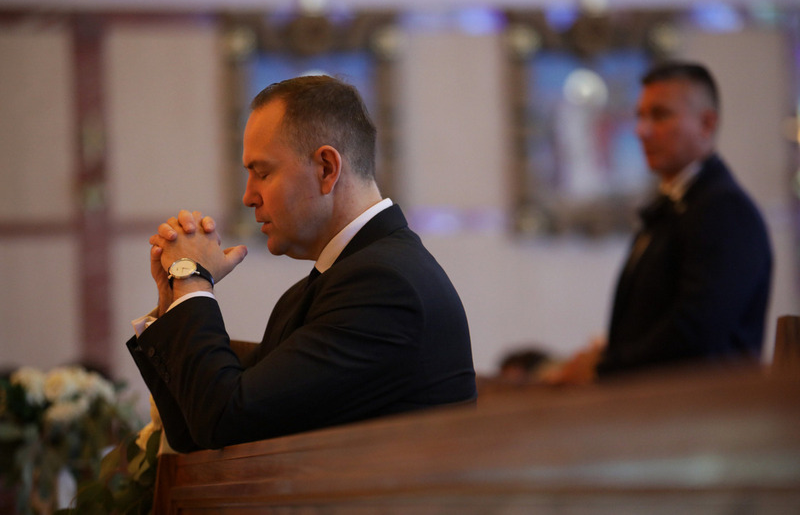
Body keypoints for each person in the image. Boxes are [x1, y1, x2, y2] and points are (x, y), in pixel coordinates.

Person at [127, 75, 477, 452]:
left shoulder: (384, 285)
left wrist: (193, 281)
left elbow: (226, 419)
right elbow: (195, 432)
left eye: (262, 173)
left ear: (326, 168)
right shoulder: (324, 286)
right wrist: (174, 304)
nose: (248, 196)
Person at [546, 61, 772, 384]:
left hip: (704, 416)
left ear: (706, 124)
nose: (642, 130)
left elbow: (696, 334)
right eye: (640, 115)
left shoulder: (725, 210)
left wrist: (605, 367)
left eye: (660, 115)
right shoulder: (674, 207)